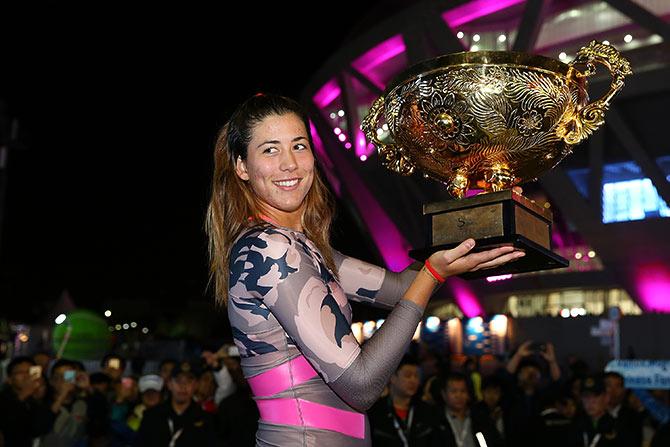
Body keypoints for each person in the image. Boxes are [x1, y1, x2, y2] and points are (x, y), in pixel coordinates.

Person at [205, 93, 524, 446]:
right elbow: (361, 385)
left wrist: (484, 218)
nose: (289, 164)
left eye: (299, 146)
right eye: (270, 150)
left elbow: (403, 287)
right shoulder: (271, 251)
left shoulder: (305, 248)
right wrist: (434, 275)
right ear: (241, 167)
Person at [135, 360, 217, 446]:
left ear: (196, 385)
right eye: (178, 381)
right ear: (169, 384)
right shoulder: (152, 416)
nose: (183, 387)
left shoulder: (206, 420)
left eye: (188, 382)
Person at [368, 355, 439, 446]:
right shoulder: (376, 412)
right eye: (408, 375)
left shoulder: (427, 411)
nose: (413, 380)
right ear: (392, 377)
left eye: (416, 376)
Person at [0, 356, 55, 447]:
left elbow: (40, 429)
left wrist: (39, 399)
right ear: (9, 380)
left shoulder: (35, 399)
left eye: (29, 372)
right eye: (20, 372)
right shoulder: (4, 399)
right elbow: (7, 425)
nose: (26, 376)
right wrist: (24, 394)